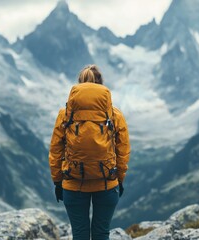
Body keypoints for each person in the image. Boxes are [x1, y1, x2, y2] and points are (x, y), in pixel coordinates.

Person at [48, 65, 130, 240]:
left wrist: (57, 182)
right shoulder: (114, 115)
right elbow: (122, 151)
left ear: (79, 85)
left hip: (73, 183)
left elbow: (55, 151)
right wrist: (119, 178)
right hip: (107, 183)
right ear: (101, 85)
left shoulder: (65, 115)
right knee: (101, 233)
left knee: (80, 234)